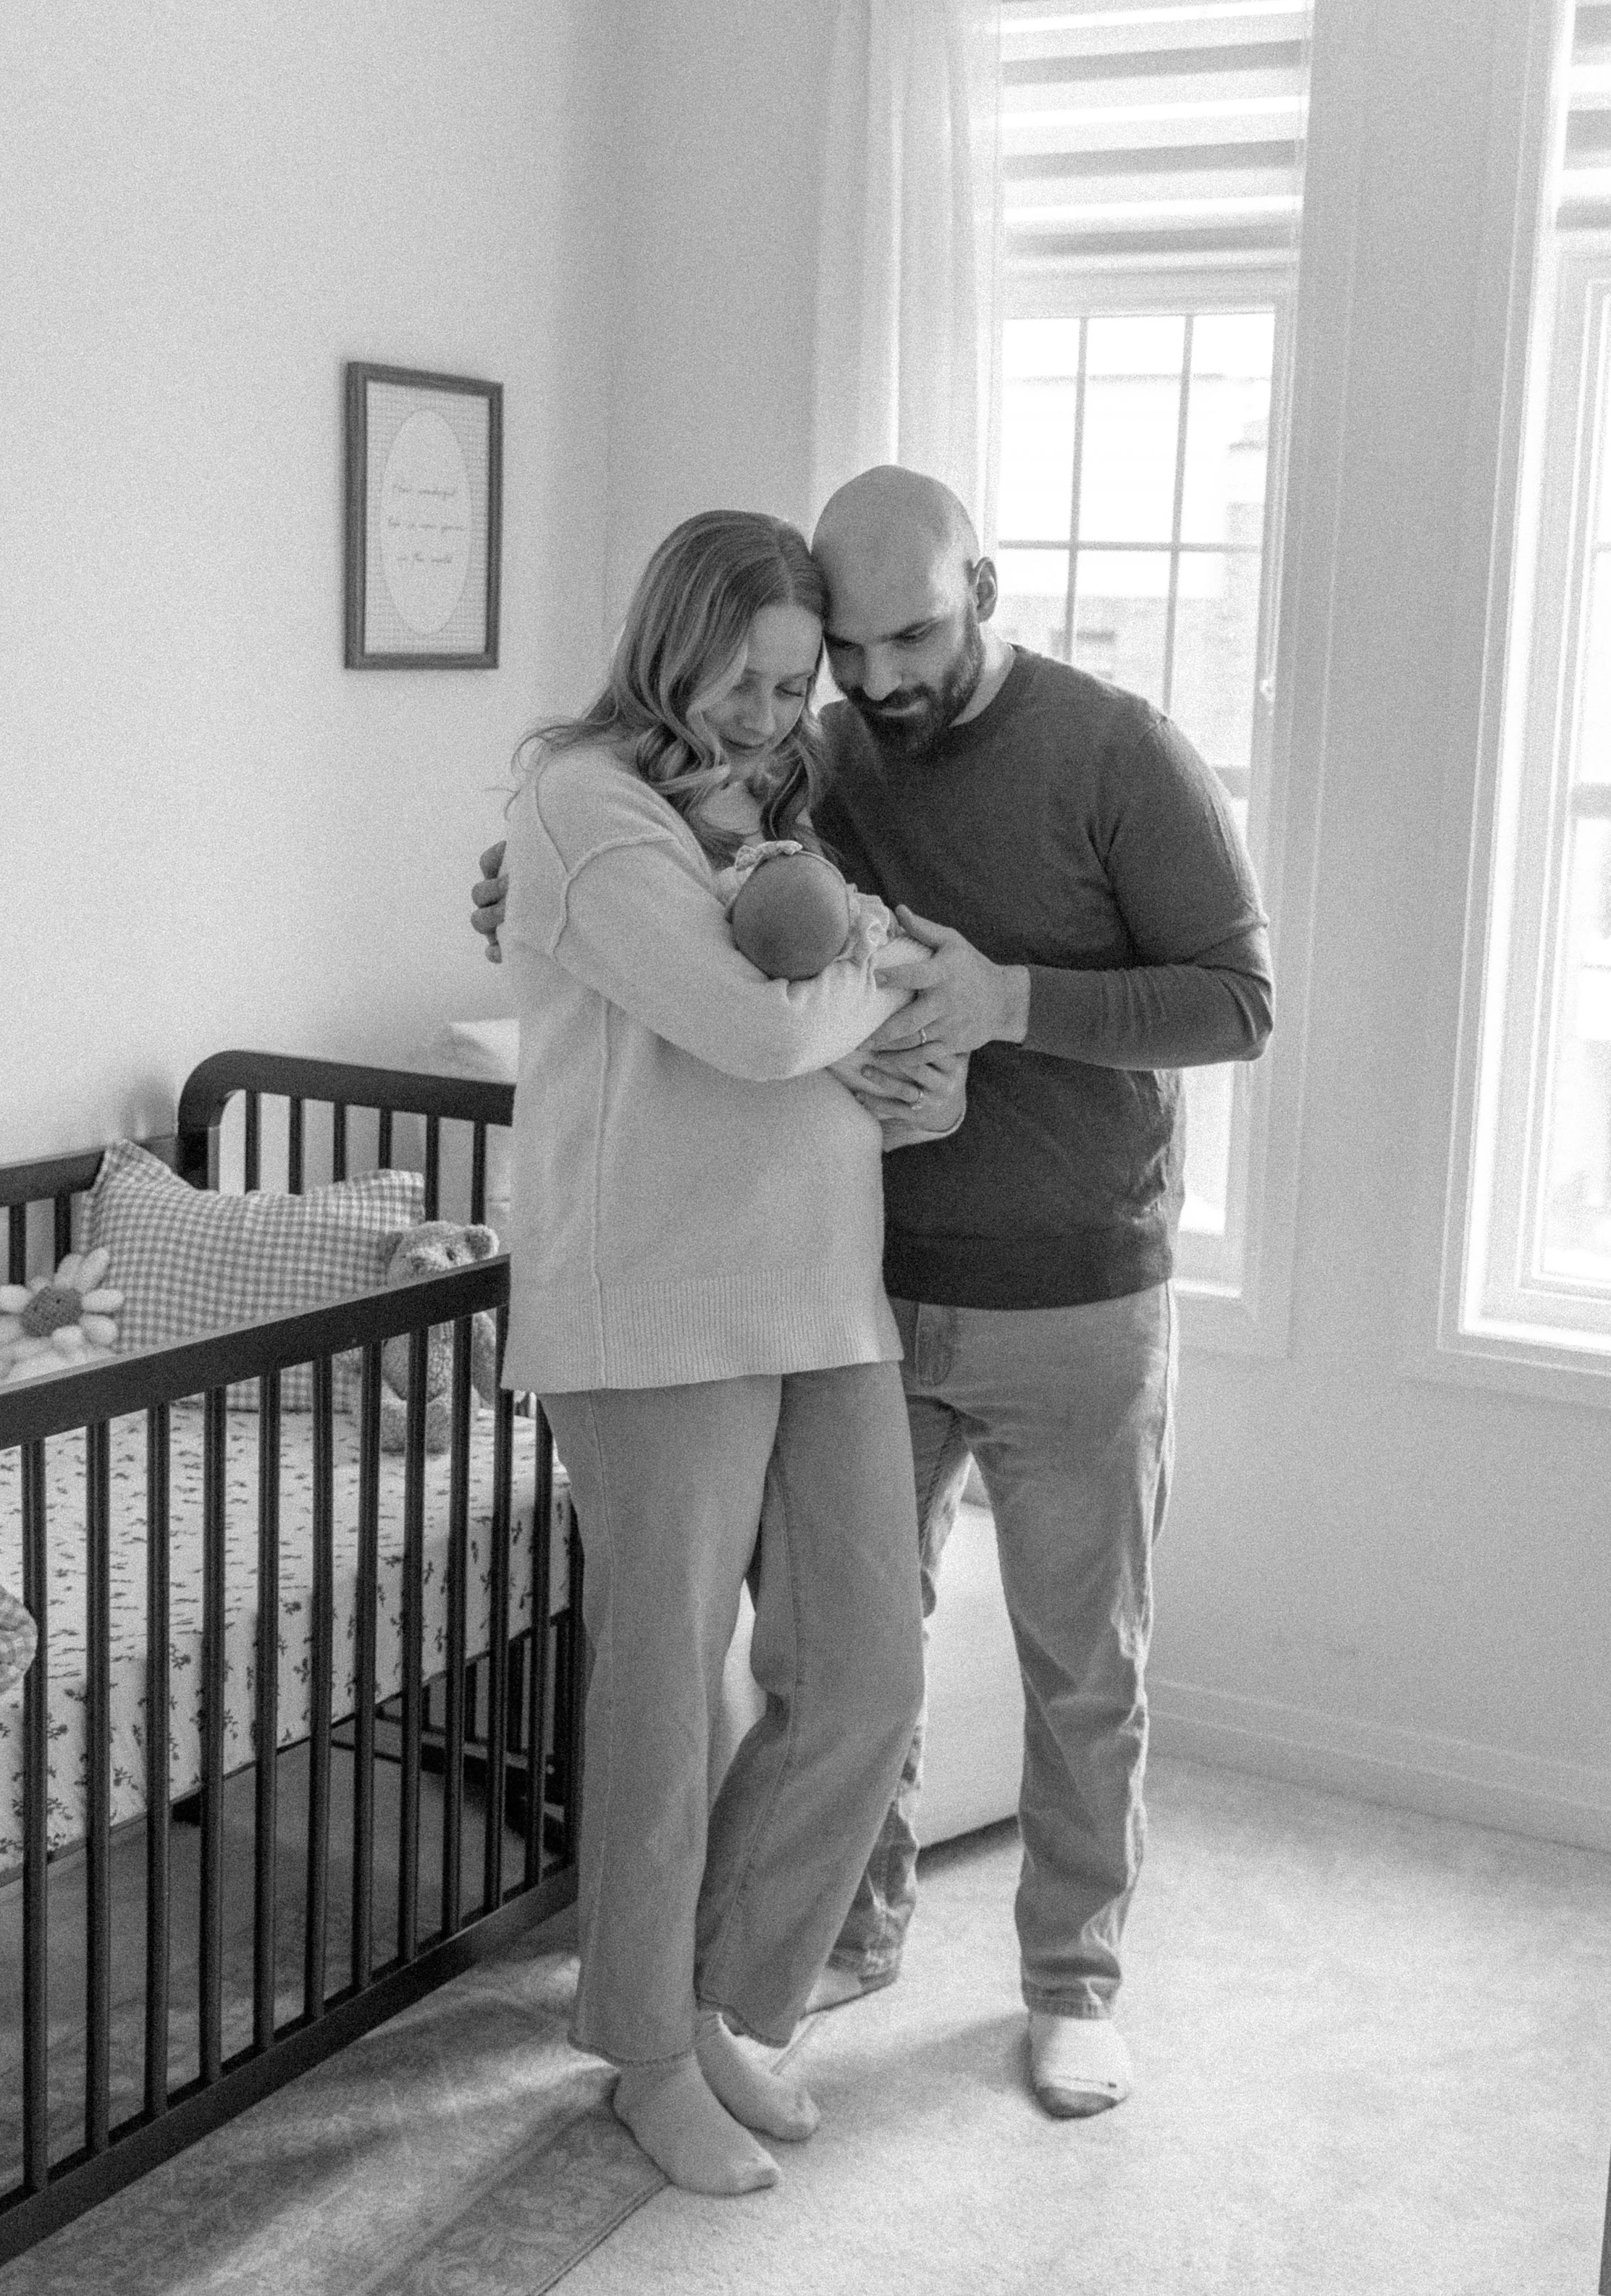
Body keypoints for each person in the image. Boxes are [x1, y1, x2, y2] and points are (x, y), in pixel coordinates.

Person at [476, 467, 1273, 2124]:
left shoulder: (1117, 751)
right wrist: (519, 879)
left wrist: (1007, 999)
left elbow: (1235, 1002)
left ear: (983, 586)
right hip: (868, 1278)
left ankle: (1069, 1985)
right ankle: (806, 1958)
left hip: (1072, 1286)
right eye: (843, 653)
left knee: (1080, 1664)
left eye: (908, 636)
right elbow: (705, 900)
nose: (871, 679)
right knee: (834, 1662)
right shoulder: (813, 754)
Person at [498, 507, 960, 2198]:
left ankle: (714, 2005)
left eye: (794, 683)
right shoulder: (581, 807)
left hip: (819, 1291)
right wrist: (882, 962)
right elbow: (756, 1034)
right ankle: (640, 2050)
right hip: (654, 1311)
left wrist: (866, 966)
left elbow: (812, 998)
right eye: (748, 680)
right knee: (665, 1690)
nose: (775, 714)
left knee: (865, 1670)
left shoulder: (768, 808)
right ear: (671, 646)